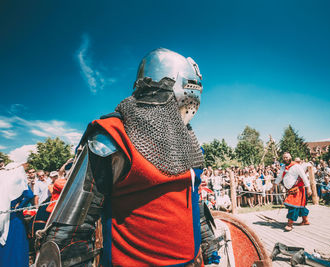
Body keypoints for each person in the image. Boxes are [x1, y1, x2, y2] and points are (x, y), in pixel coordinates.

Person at [36, 48, 205, 266]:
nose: (196, 98)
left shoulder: (187, 139)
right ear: (168, 86)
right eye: (192, 88)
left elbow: (194, 200)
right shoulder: (113, 136)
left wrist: (208, 245)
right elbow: (69, 231)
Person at [0, 163, 34, 267]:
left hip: (2, 215)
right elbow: (29, 195)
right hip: (14, 218)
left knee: (5, 244)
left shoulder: (2, 179)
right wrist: (19, 207)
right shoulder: (18, 179)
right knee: (17, 244)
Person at [274, 152, 312, 231]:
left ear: (290, 157)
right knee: (300, 206)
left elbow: (304, 177)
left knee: (293, 206)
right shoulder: (283, 167)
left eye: (287, 157)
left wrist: (309, 188)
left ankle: (290, 224)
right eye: (284, 158)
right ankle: (305, 220)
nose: (286, 159)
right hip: (290, 190)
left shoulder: (296, 166)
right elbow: (280, 176)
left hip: (298, 190)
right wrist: (275, 184)